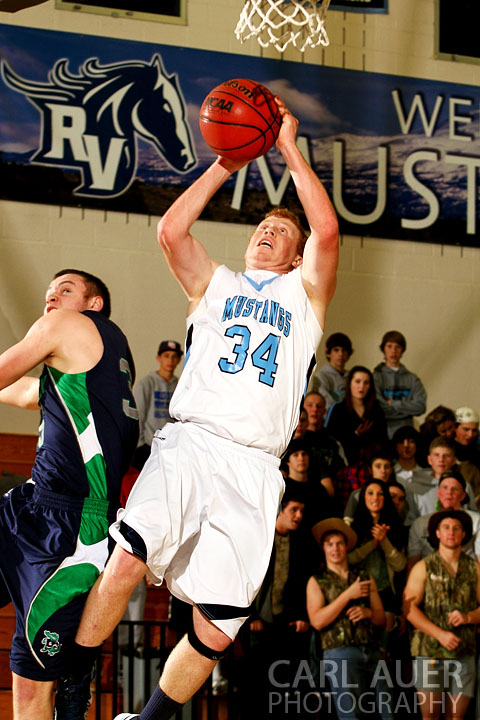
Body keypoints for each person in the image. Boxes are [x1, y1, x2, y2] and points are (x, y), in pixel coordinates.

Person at [64, 96, 340, 720]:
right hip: (193, 441)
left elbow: (327, 230)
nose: (268, 232)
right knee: (131, 555)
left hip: (254, 467)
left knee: (219, 627)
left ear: (296, 257)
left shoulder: (306, 298)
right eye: (262, 227)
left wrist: (289, 147)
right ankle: (78, 677)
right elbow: (169, 231)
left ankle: (150, 718)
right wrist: (227, 158)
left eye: (281, 232)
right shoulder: (214, 283)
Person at [0, 270, 139, 720]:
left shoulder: (65, 326)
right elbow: (22, 391)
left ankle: (78, 668)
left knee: (30, 685)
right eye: (47, 294)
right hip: (33, 508)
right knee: (28, 687)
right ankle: (78, 666)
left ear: (93, 305)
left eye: (65, 291)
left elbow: (5, 371)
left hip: (71, 529)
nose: (51, 299)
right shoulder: (101, 362)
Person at [306, 518, 392, 720]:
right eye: (330, 545)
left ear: (346, 547)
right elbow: (317, 621)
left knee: (386, 710)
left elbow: (381, 619)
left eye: (339, 544)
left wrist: (369, 614)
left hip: (371, 649)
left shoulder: (363, 576)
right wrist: (348, 595)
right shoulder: (317, 580)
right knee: (352, 714)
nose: (335, 549)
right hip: (340, 653)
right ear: (324, 549)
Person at [403, 509, 480, 720]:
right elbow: (408, 608)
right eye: (445, 528)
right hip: (429, 651)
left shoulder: (474, 568)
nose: (451, 532)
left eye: (456, 528)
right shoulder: (423, 566)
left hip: (464, 650)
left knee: (456, 717)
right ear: (437, 533)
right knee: (430, 717)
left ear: (464, 534)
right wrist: (439, 634)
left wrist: (468, 617)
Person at [243, 491, 311, 714]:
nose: (299, 515)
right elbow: (247, 577)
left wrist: (301, 614)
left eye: (301, 511)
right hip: (258, 622)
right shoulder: (261, 537)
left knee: (281, 685)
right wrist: (251, 615)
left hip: (285, 622)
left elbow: (302, 582)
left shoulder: (299, 541)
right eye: (294, 510)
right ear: (280, 510)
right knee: (256, 684)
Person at [347, 479, 406, 624]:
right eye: (370, 493)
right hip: (358, 591)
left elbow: (400, 565)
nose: (375, 498)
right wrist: (373, 544)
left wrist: (384, 540)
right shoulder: (352, 526)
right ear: (363, 497)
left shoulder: (396, 526)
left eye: (380, 494)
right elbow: (348, 560)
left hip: (386, 591)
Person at [406, 469, 480, 574]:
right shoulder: (420, 524)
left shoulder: (476, 521)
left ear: (463, 495)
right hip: (431, 577)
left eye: (454, 489)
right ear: (438, 493)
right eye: (445, 488)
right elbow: (412, 563)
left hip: (466, 576)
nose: (449, 492)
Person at [132, 340, 183, 470]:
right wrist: (140, 445)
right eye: (166, 356)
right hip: (148, 447)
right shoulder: (147, 383)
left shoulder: (180, 385)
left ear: (179, 360)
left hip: (170, 447)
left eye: (174, 356)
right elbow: (139, 415)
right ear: (158, 358)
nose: (170, 360)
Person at [325, 365, 388, 465]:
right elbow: (331, 440)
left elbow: (383, 440)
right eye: (357, 381)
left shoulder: (376, 409)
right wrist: (355, 435)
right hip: (345, 464)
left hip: (372, 464)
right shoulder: (338, 409)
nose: (361, 387)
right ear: (349, 383)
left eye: (366, 383)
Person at [373, 330, 427, 438]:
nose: (393, 351)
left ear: (402, 350)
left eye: (397, 347)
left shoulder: (412, 379)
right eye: (389, 346)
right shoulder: (375, 377)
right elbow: (379, 409)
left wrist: (393, 403)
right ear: (383, 349)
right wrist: (407, 410)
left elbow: (420, 407)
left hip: (407, 433)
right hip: (382, 433)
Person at [309, 331, 353, 409]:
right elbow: (325, 403)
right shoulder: (321, 377)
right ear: (328, 353)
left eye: (344, 350)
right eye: (336, 350)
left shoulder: (352, 376)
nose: (340, 354)